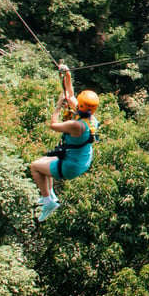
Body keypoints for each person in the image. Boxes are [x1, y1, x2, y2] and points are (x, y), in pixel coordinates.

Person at [29, 63, 99, 221]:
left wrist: (58, 106)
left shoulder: (76, 125)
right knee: (44, 163)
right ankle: (50, 194)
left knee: (35, 167)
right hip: (80, 160)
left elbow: (53, 125)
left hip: (70, 166)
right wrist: (67, 74)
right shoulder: (90, 119)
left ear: (81, 105)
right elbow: (70, 95)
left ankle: (48, 202)